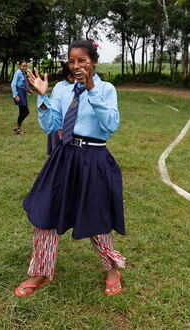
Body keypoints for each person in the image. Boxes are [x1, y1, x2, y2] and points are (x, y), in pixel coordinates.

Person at [16, 40, 125, 297]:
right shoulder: (63, 91)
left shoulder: (106, 89)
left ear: (94, 62)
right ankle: (41, 272)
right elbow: (51, 124)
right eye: (72, 61)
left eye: (82, 61)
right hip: (64, 157)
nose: (76, 66)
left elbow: (110, 124)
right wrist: (43, 96)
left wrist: (91, 90)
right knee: (45, 214)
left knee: (96, 218)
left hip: (94, 157)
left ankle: (111, 269)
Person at [46, 62, 74, 155]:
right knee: (61, 155)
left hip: (60, 127)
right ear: (70, 77)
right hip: (60, 128)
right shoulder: (64, 89)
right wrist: (60, 130)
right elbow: (56, 110)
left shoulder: (60, 85)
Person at [11, 60, 33, 134]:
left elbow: (24, 83)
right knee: (26, 111)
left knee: (22, 111)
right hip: (19, 92)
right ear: (19, 66)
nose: (24, 67)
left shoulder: (23, 73)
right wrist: (16, 95)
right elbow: (13, 84)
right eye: (23, 66)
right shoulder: (17, 73)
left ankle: (18, 129)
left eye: (25, 66)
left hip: (23, 92)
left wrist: (29, 90)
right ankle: (17, 126)